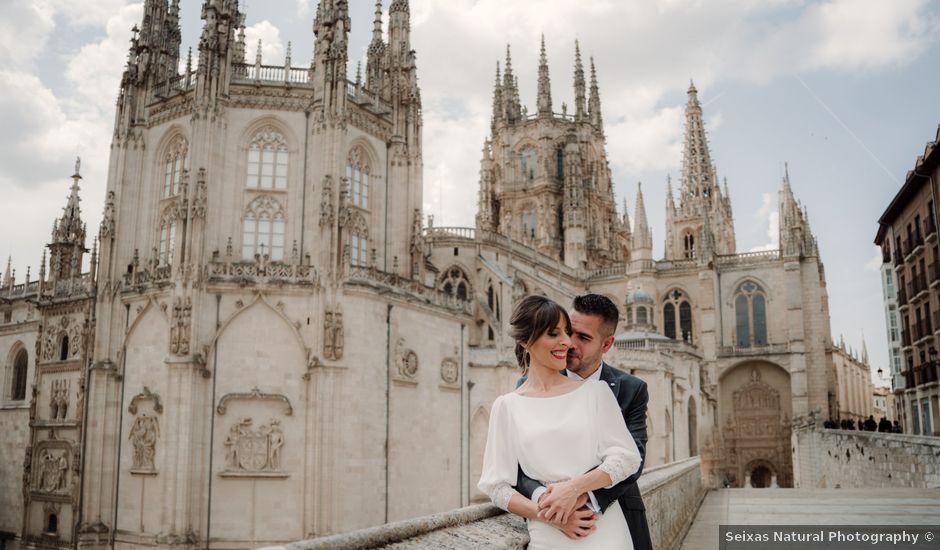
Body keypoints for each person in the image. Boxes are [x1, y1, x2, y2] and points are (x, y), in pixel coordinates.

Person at [478, 295, 642, 549]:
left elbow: (627, 457)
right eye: (554, 334)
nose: (567, 342)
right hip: (548, 535)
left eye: (568, 333)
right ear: (525, 341)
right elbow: (497, 486)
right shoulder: (506, 406)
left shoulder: (595, 392)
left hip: (603, 529)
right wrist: (551, 516)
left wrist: (574, 489)